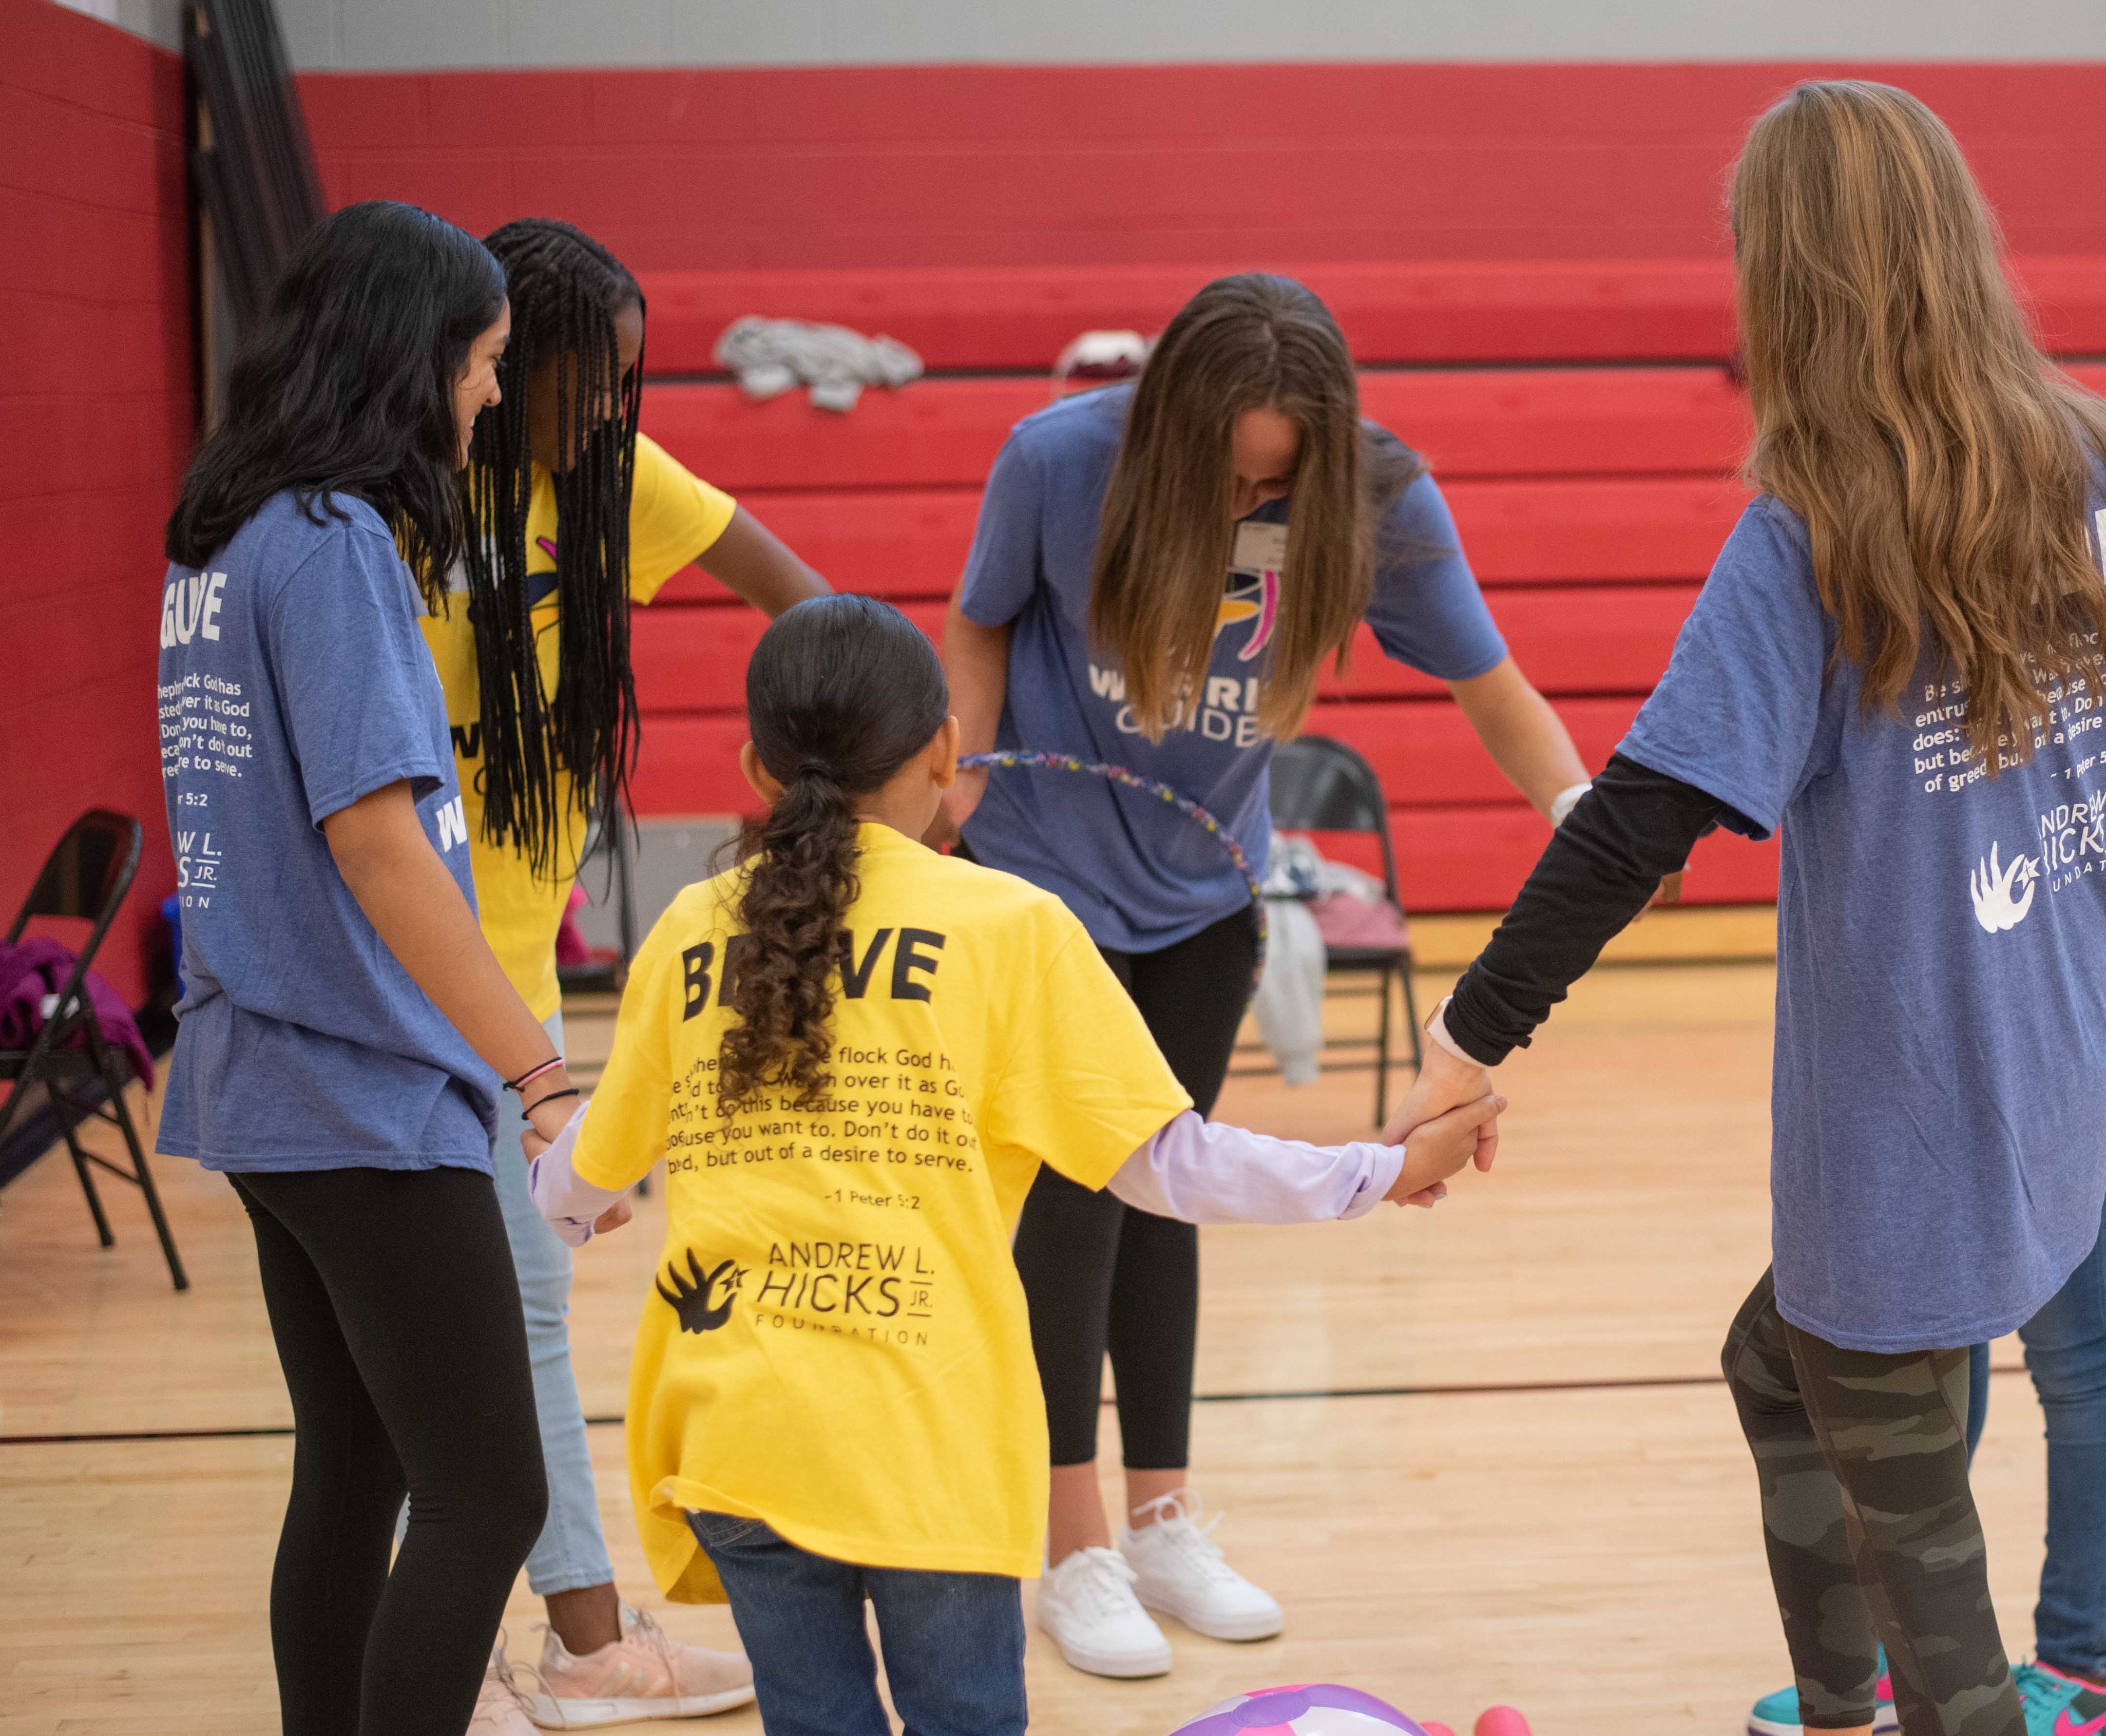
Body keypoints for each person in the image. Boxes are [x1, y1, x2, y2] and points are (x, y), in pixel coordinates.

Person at [1385, 82, 2106, 1736]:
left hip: (1906, 1134)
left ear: (1785, 281)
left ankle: (1895, 1702)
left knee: (1930, 1575)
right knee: (1773, 1365)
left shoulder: (1811, 535)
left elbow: (1637, 823)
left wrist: (1464, 1038)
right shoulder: (2104, 460)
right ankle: (1838, 1704)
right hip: (2056, 1075)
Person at [522, 594, 1499, 1736]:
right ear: (946, 751)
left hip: (734, 1432)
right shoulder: (1008, 925)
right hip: (925, 1435)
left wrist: (563, 1197)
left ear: (755, 769)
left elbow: (584, 1176)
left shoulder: (690, 929)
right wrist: (1374, 1172)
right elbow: (1168, 1166)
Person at [933, 271, 1599, 1676]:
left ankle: (1160, 1518)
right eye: (1231, 478)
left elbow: (1493, 687)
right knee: (1070, 1200)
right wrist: (961, 787)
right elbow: (978, 621)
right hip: (1040, 882)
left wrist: (1579, 816)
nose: (1252, 503)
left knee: (1166, 1187)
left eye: (1276, 486)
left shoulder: (1379, 500)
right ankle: (1072, 1546)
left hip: (1205, 895)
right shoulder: (1056, 460)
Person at [1741, 505, 2106, 1736]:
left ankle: (2080, 1666)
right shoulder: (1924, 516)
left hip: (2075, 985)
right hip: (1950, 985)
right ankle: (1921, 1649)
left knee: (2075, 1342)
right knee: (1929, 1324)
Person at [154, 200, 578, 1736]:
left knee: (356, 1472)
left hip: (265, 1079)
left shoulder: (226, 536)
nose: (490, 393)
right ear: (410, 360)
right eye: (482, 362)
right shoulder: (334, 543)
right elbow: (379, 844)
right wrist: (538, 1070)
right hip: (354, 1090)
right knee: (491, 1494)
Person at [428, 216, 828, 1731]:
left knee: (494, 1322)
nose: (610, 407)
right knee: (476, 1326)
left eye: (627, 381)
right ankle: (565, 1643)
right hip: (405, 979)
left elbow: (810, 603)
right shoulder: (397, 503)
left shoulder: (612, 481)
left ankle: (531, 1639)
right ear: (497, 358)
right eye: (585, 378)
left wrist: (823, 767)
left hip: (516, 975)